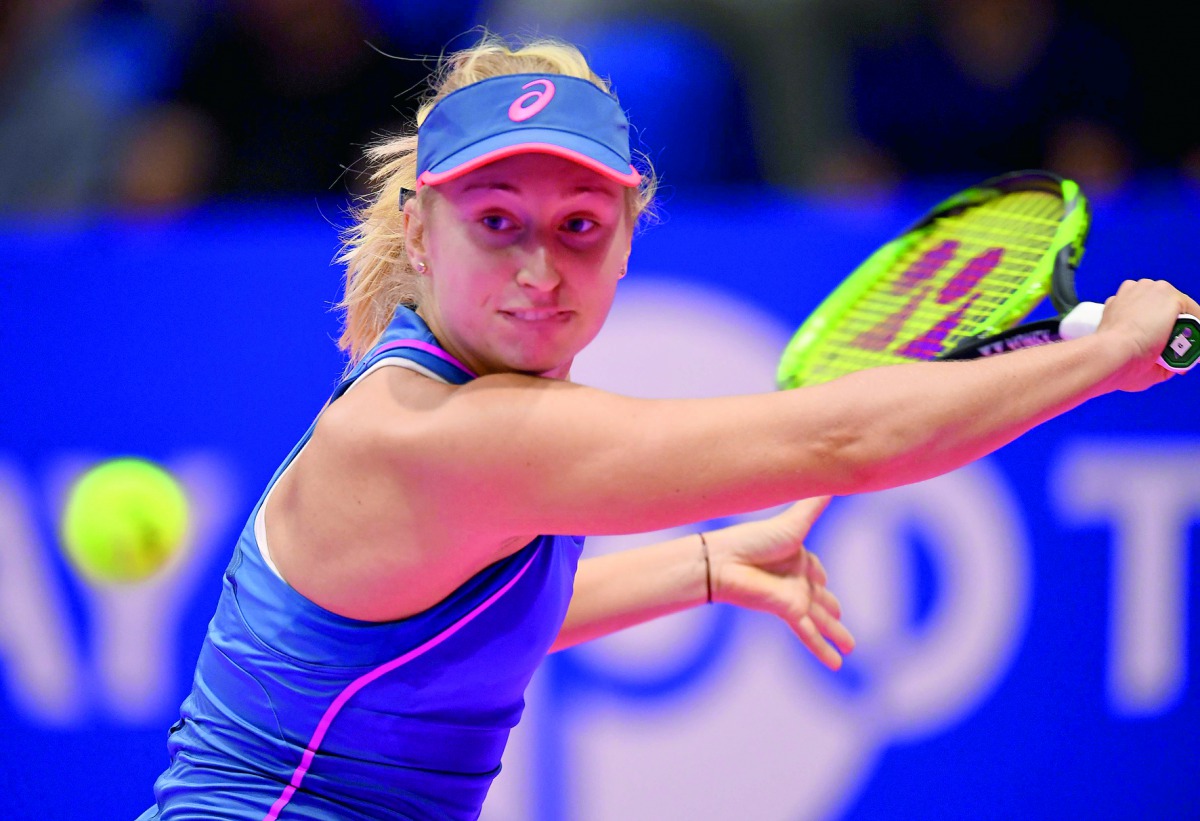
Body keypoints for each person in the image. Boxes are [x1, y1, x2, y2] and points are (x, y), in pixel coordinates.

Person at [138, 33, 1197, 821]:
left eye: (580, 227)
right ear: (419, 227)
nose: (540, 271)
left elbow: (436, 643)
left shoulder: (432, 405)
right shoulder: (442, 435)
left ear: (629, 240)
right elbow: (842, 441)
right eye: (496, 221)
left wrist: (703, 563)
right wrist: (1101, 358)